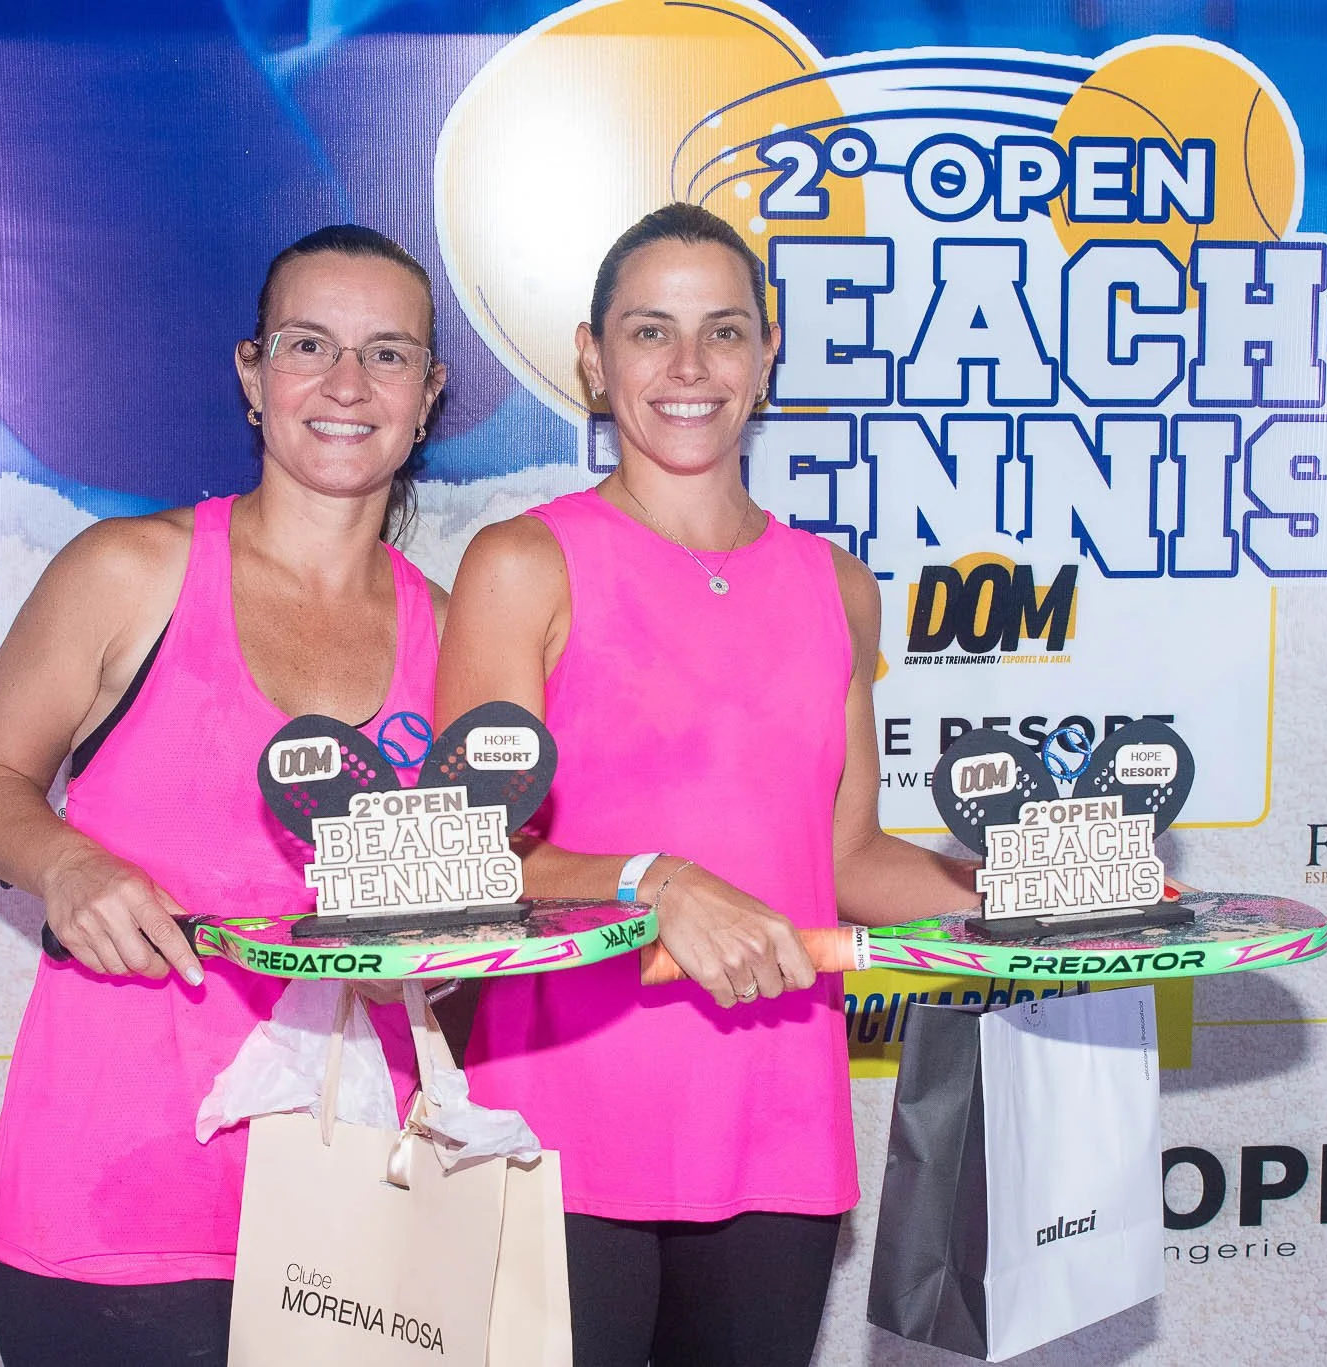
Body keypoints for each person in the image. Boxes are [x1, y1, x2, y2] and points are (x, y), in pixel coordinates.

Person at [437, 202, 980, 1367]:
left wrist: (1031, 892)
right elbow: (466, 861)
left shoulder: (834, 583)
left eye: (723, 331)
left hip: (774, 1119)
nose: (688, 366)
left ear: (765, 355)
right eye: (649, 331)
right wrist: (653, 880)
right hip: (561, 1116)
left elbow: (846, 861)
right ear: (593, 357)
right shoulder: (522, 561)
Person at [0, 225, 448, 1367]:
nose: (346, 383)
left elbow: (453, 911)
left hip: (354, 1199)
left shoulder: (456, 630)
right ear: (251, 374)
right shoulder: (128, 569)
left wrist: (444, 953)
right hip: (119, 1196)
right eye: (307, 343)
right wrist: (67, 861)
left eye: (387, 353)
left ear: (426, 396)